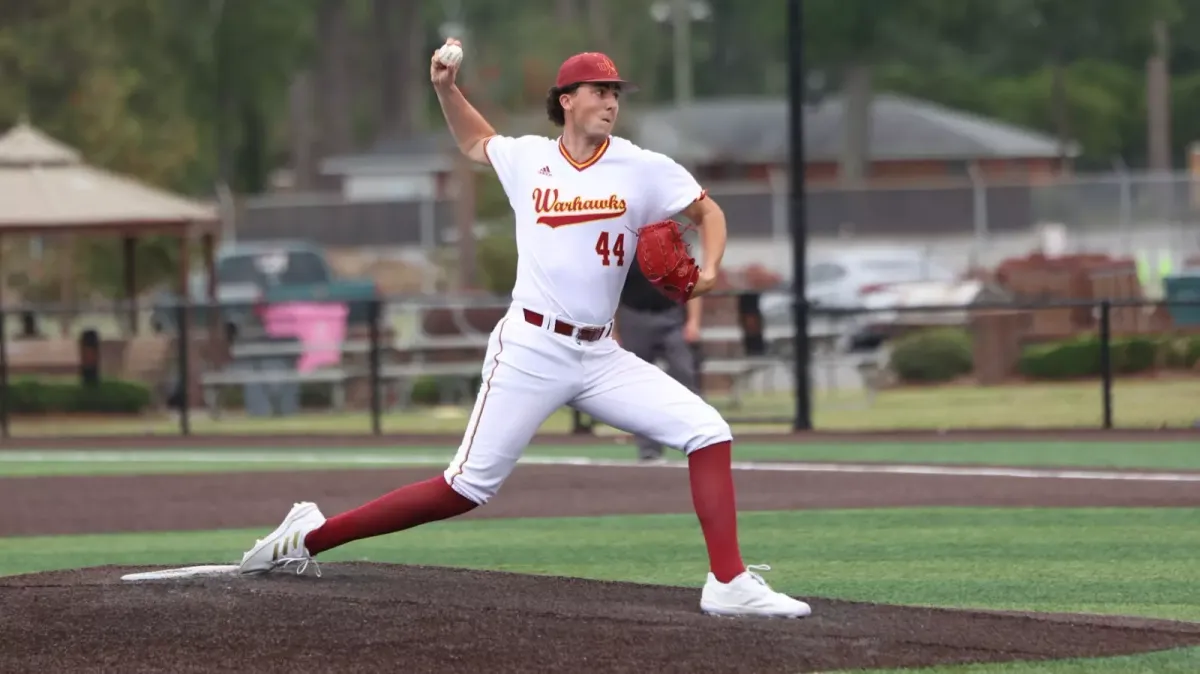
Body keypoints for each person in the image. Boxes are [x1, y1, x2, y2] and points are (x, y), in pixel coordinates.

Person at [236, 39, 811, 619]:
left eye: (615, 92)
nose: (611, 101)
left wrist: (709, 272)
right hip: (531, 347)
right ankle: (308, 537)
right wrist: (445, 88)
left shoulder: (642, 167)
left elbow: (708, 212)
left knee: (707, 431)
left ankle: (728, 581)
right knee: (465, 488)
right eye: (599, 91)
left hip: (600, 354)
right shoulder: (529, 158)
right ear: (566, 100)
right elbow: (474, 141)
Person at [614, 257, 704, 461]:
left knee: (685, 373)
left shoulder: (674, 246)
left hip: (672, 316)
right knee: (639, 387)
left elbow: (692, 282)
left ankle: (701, 442)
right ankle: (649, 450)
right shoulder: (626, 248)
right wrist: (613, 330)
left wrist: (694, 322)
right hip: (634, 317)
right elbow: (611, 290)